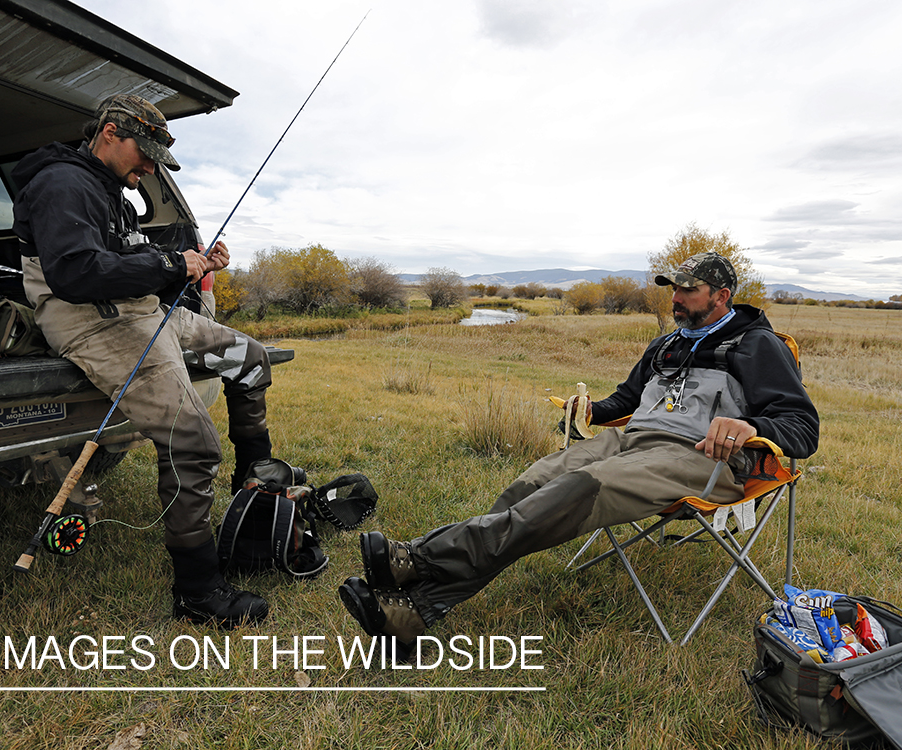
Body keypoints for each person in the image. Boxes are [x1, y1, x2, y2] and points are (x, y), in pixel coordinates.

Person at [338, 252, 819, 649]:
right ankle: (420, 610)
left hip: (699, 461)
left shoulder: (757, 345)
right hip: (629, 442)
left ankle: (419, 559)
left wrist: (748, 424)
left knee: (572, 491)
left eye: (687, 290)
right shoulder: (667, 344)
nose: (675, 298)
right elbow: (624, 403)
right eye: (673, 288)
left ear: (721, 296)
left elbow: (802, 427)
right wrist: (588, 409)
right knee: (529, 485)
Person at [12, 94, 275, 627]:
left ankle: (255, 488)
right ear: (109, 132)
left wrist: (192, 264)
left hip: (146, 310)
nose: (151, 168)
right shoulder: (63, 184)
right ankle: (198, 590)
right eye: (146, 153)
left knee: (251, 359)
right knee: (193, 441)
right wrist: (168, 262)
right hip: (95, 320)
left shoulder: (111, 192)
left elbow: (126, 260)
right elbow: (76, 274)